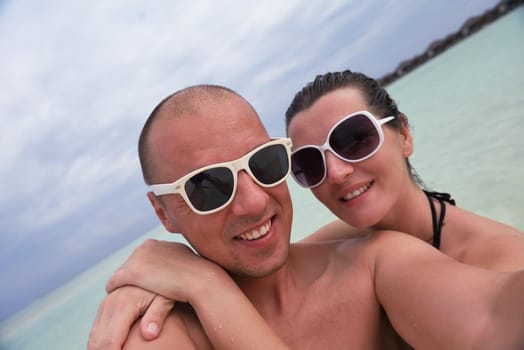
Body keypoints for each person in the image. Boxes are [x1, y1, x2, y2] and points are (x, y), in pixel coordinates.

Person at [88, 83, 524, 350]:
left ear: (404, 134)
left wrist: (208, 286)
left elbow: (493, 324)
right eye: (209, 187)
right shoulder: (155, 328)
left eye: (265, 163)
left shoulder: (377, 263)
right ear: (163, 212)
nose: (254, 203)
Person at [285, 70, 524, 271]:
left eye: (354, 140)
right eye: (310, 163)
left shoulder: (501, 262)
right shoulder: (340, 243)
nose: (336, 173)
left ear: (404, 135)